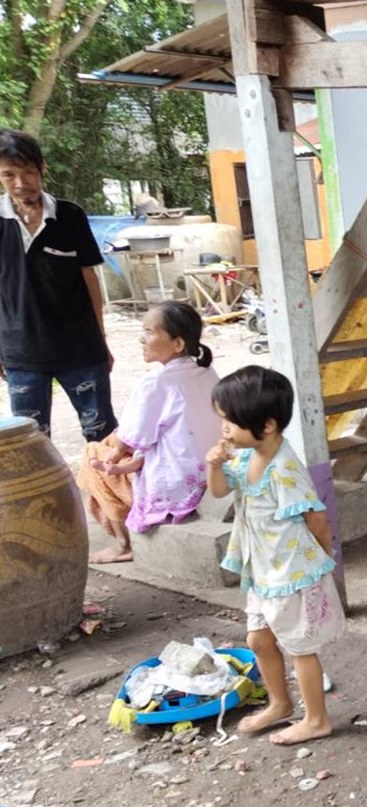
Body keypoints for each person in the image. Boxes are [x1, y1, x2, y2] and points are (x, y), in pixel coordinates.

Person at [206, 365, 345, 746]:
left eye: (230, 421)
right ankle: (280, 704)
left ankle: (316, 718)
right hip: (264, 571)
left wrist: (321, 559)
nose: (224, 429)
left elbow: (316, 517)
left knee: (300, 647)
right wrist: (213, 465)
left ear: (266, 425)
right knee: (259, 639)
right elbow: (219, 492)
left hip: (291, 573)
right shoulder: (246, 457)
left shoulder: (284, 469)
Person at [76, 302, 219, 563]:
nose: (142, 338)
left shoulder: (155, 382)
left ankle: (123, 544)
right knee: (114, 441)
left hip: (179, 484)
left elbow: (128, 441)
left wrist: (115, 455)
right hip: (211, 471)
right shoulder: (206, 370)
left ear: (177, 344)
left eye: (150, 332)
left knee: (92, 458)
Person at [0, 128, 115, 441]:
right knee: (31, 442)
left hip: (80, 348)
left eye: (28, 172)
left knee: (102, 435)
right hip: (21, 351)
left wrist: (101, 337)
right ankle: (46, 493)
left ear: (42, 169)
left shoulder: (69, 215)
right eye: (9, 174)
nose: (21, 184)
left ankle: (104, 491)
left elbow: (88, 278)